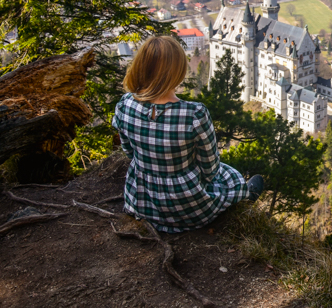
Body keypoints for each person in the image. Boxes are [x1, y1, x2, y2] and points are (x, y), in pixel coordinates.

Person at [112, 35, 263, 233]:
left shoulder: (125, 105)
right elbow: (210, 168)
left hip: (141, 201)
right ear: (178, 72)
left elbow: (128, 151)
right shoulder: (194, 114)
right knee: (229, 175)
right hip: (188, 208)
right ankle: (246, 194)